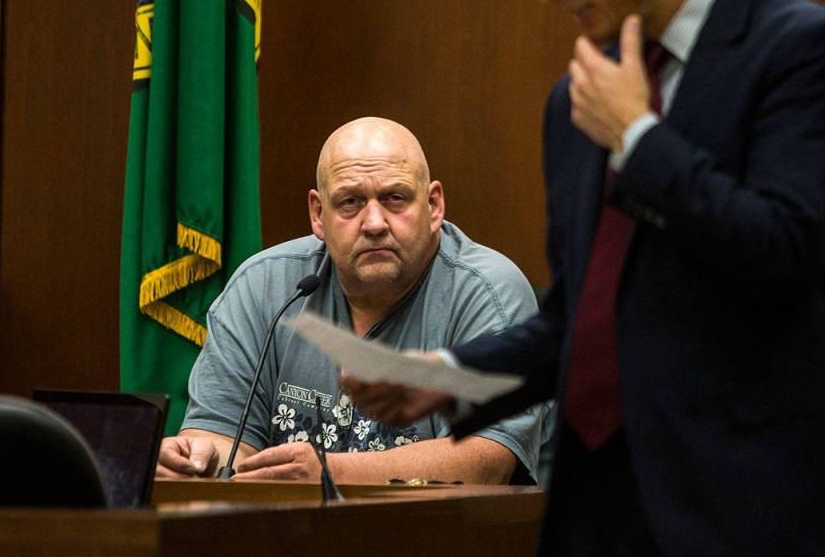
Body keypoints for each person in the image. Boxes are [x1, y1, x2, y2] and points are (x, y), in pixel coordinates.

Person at [345, 0, 825, 554]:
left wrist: (641, 141)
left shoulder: (804, 54)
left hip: (764, 512)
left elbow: (782, 250)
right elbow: (582, 319)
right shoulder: (576, 99)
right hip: (603, 518)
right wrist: (452, 375)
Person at [156, 116, 548, 485]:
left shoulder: (487, 292)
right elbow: (226, 438)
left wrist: (327, 474)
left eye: (395, 198)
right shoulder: (263, 287)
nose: (374, 223)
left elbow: (487, 461)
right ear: (317, 213)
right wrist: (199, 459)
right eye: (350, 202)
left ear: (433, 206)